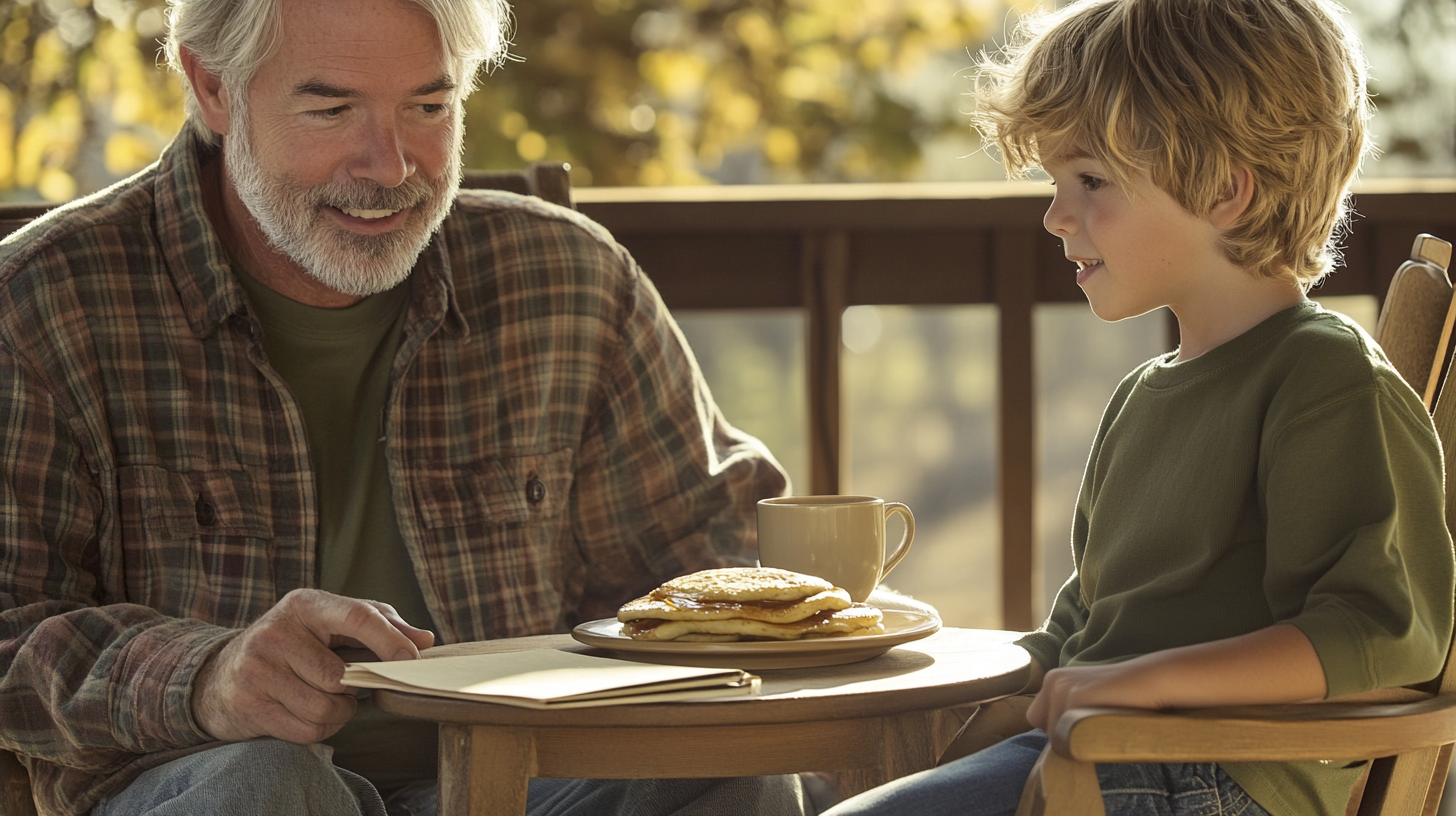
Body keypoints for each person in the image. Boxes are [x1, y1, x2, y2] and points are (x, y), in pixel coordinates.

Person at [0, 0, 810, 814]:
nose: (389, 167)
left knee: (732, 768)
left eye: (429, 106)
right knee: (268, 782)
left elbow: (710, 560)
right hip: (217, 790)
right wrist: (203, 677)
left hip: (526, 785)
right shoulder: (41, 305)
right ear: (213, 88)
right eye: (331, 109)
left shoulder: (572, 282)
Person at [823, 1, 1456, 815]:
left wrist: (1142, 685)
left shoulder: (1326, 380)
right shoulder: (1143, 396)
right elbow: (1085, 627)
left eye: (1090, 181)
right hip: (1103, 748)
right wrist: (932, 685)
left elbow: (1384, 631)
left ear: (1227, 190)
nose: (1055, 215)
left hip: (1209, 775)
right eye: (1056, 183)